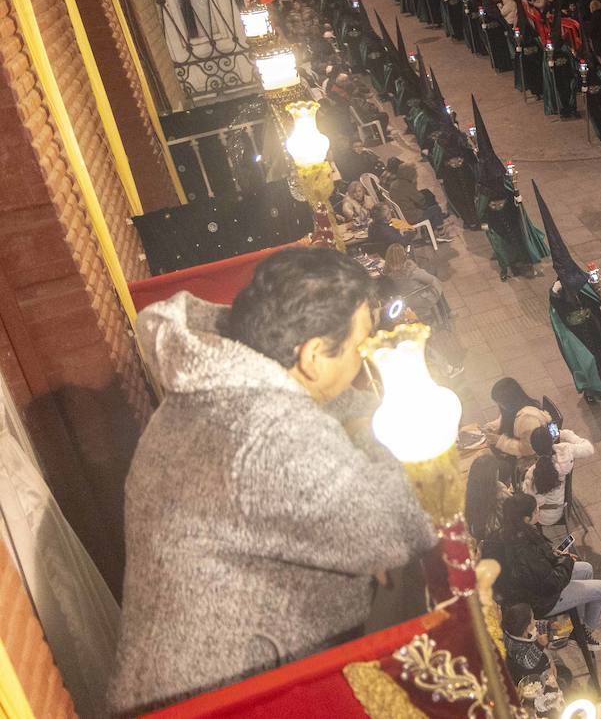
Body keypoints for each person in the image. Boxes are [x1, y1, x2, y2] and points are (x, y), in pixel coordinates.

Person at [108, 249, 436, 715]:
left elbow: (328, 409)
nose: (363, 361)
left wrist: (360, 425)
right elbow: (399, 527)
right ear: (314, 356)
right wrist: (380, 437)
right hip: (228, 701)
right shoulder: (270, 439)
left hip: (200, 682)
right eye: (359, 346)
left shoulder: (228, 374)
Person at [532, 182, 601, 401]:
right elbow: (558, 314)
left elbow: (597, 299)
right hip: (576, 334)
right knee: (586, 364)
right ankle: (590, 391)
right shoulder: (557, 292)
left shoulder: (583, 281)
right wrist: (556, 295)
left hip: (594, 328)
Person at [483, 494, 601, 649]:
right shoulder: (523, 550)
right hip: (538, 601)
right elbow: (552, 584)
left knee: (586, 569)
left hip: (523, 592)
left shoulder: (503, 534)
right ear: (526, 518)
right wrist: (566, 561)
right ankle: (587, 630)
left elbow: (540, 565)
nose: (539, 512)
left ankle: (579, 628)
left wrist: (556, 556)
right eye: (536, 511)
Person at [471, 101, 549, 280]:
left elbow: (510, 191)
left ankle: (524, 263)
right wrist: (483, 218)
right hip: (495, 217)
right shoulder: (483, 177)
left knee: (518, 239)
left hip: (509, 213)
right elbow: (481, 200)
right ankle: (507, 266)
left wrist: (516, 198)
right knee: (501, 244)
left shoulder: (500, 175)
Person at [523, 423, 594, 528]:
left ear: (533, 448)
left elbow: (532, 501)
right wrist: (564, 434)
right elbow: (589, 449)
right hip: (561, 507)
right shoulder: (566, 451)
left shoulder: (532, 473)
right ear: (552, 440)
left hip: (544, 517)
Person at [501, 601, 561, 710]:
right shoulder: (516, 647)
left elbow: (535, 625)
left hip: (540, 665)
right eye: (532, 619)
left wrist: (549, 625)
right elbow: (528, 662)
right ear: (526, 627)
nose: (535, 621)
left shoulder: (514, 630)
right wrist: (539, 644)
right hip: (530, 676)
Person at [382, 244, 443, 323]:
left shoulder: (388, 275)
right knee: (436, 283)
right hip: (421, 299)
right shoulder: (411, 269)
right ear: (403, 255)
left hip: (405, 302)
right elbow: (430, 279)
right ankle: (445, 314)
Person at [464, 452, 512, 545]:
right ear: (493, 475)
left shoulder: (469, 492)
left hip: (477, 541)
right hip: (498, 541)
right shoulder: (500, 492)